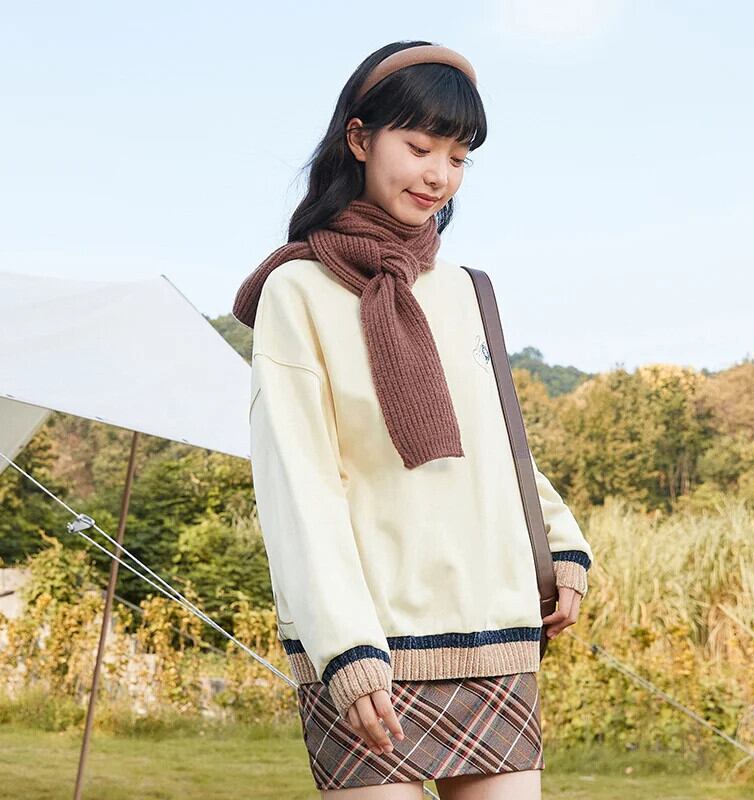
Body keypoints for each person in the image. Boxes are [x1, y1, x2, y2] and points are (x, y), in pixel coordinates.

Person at [234, 40, 594, 800]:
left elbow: (497, 442)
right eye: (420, 147)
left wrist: (563, 543)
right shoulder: (298, 291)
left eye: (459, 157)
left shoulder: (465, 288)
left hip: (491, 626)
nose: (439, 175)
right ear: (359, 139)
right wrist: (343, 645)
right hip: (366, 643)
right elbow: (299, 482)